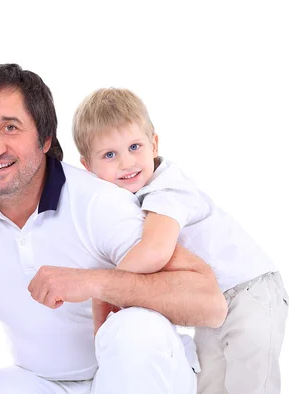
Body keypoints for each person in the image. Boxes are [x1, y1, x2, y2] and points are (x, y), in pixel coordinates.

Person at [0, 63, 226, 393]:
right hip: (42, 381)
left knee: (136, 328)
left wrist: (92, 282)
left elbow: (211, 303)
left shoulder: (99, 203)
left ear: (45, 139)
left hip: (137, 373)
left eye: (11, 127)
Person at [70, 88, 288, 394]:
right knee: (209, 383)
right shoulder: (121, 204)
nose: (126, 162)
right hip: (213, 305)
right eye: (110, 154)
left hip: (249, 292)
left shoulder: (168, 188)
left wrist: (103, 287)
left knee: (251, 381)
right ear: (87, 166)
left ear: (154, 144)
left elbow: (155, 252)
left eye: (135, 146)